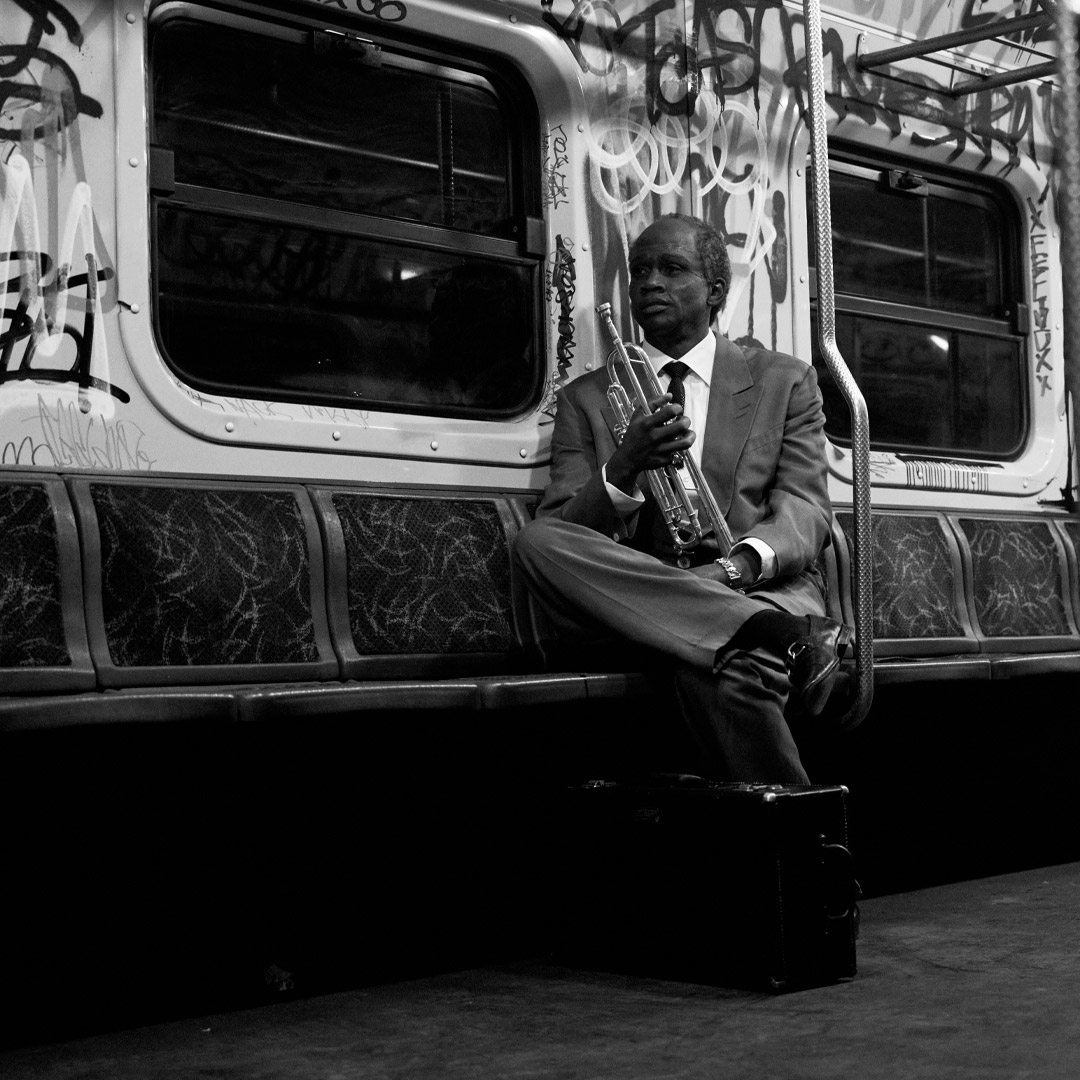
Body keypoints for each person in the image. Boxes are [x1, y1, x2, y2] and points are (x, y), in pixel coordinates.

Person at [512, 213, 850, 783]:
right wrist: (623, 467)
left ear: (714, 290)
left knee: (719, 667)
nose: (649, 282)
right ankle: (779, 642)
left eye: (671, 269)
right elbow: (566, 529)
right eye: (640, 270)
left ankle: (791, 848)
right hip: (647, 591)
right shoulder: (585, 399)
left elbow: (805, 509)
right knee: (536, 541)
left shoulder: (783, 381)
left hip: (763, 587)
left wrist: (735, 569)